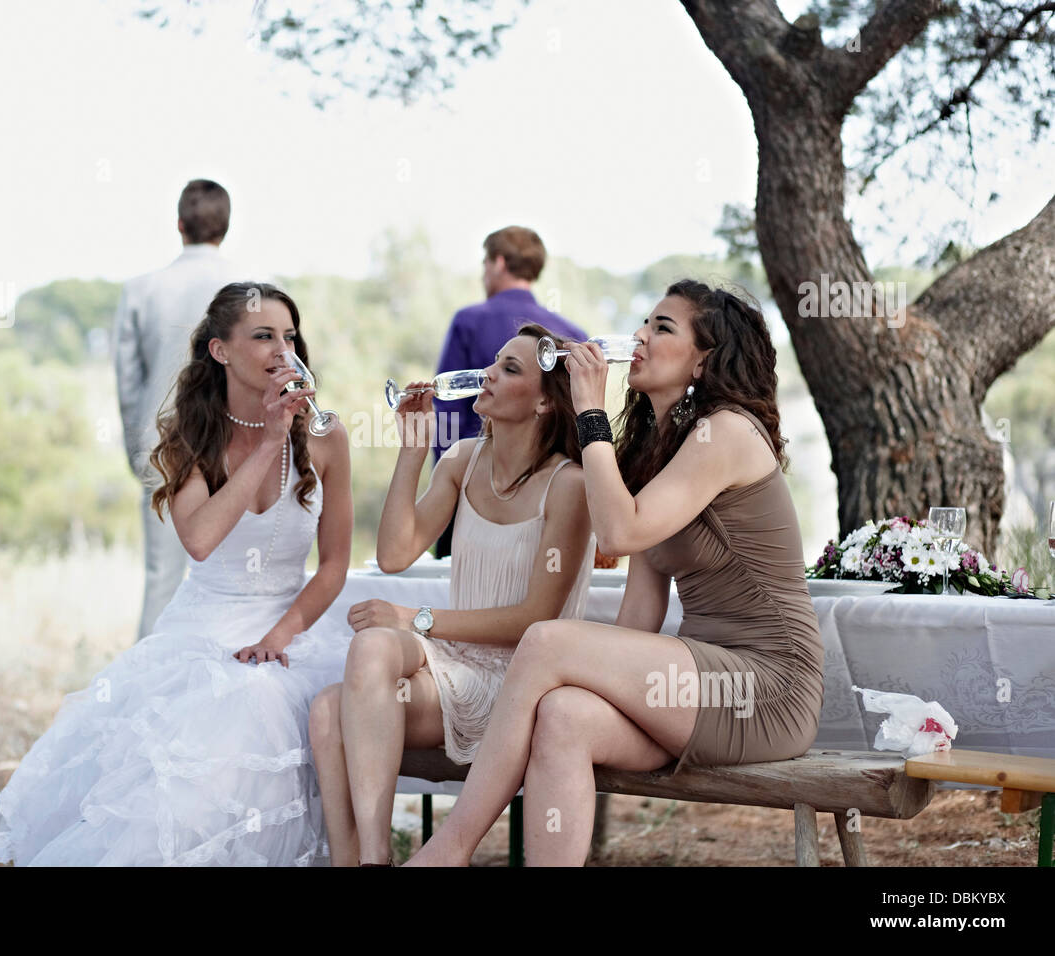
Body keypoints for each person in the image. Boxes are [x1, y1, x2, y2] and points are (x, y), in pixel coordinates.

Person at [406, 280, 824, 867]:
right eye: (645, 324)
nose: (639, 339)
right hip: (697, 680)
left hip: (768, 684)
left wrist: (590, 412)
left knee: (547, 640)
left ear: (704, 359)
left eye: (663, 328)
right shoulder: (658, 446)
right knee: (563, 716)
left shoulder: (724, 431)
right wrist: (602, 678)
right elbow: (641, 608)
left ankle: (449, 850)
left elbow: (619, 532)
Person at [0, 282, 353, 866]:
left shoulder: (327, 436)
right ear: (221, 351)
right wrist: (268, 441)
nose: (282, 349)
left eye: (289, 337)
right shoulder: (191, 436)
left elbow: (335, 564)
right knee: (211, 734)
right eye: (263, 336)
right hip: (204, 628)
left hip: (292, 629)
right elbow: (201, 540)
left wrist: (278, 638)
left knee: (268, 698)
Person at [308, 323, 597, 866]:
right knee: (337, 697)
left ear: (542, 404)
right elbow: (395, 554)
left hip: (518, 682)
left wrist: (414, 618)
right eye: (494, 362)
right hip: (454, 665)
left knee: (344, 693)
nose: (487, 373)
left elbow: (534, 619)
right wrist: (413, 450)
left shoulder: (570, 485)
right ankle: (371, 859)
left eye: (509, 369)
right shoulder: (462, 460)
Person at [115, 178, 249, 641]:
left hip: (163, 446)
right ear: (226, 227)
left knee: (162, 582)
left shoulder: (139, 290)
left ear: (179, 225)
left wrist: (139, 453)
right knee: (237, 585)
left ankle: (147, 702)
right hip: (240, 444)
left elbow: (128, 384)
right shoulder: (250, 291)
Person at [432, 226, 588, 558]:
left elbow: (447, 405)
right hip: (553, 498)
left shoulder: (469, 321)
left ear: (499, 263)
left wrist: (446, 485)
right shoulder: (573, 333)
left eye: (484, 264)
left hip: (472, 490)